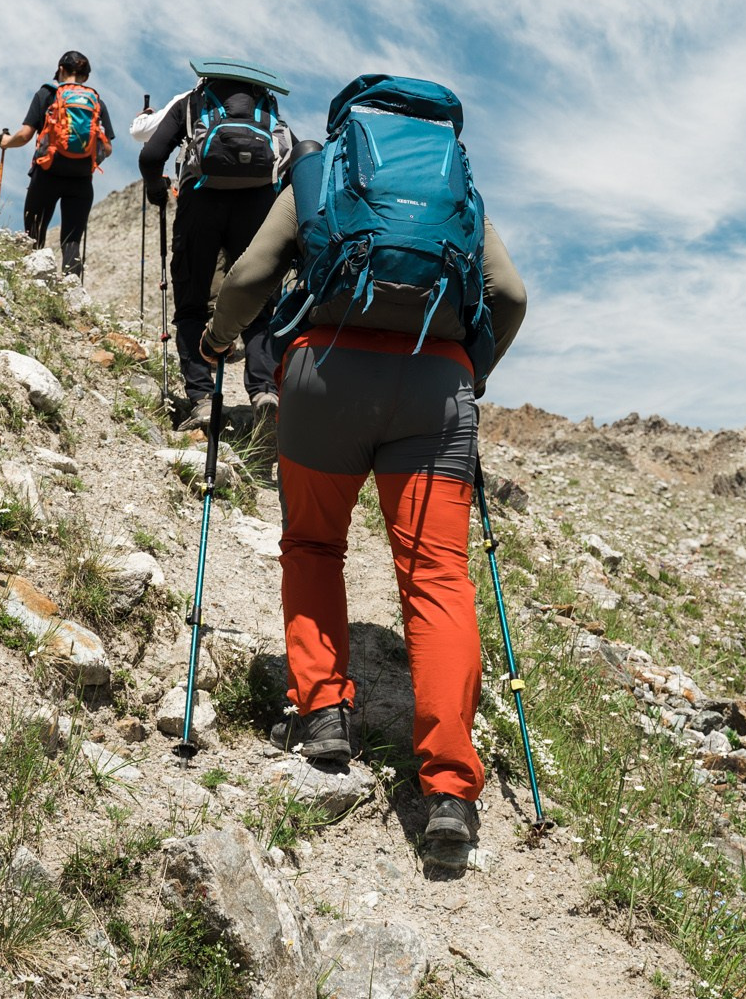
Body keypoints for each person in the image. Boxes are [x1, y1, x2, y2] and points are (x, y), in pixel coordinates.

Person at [200, 74, 527, 864]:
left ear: (348, 127)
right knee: (439, 578)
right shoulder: (460, 187)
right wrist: (467, 371)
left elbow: (249, 278)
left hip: (326, 375)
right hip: (435, 386)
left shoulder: (318, 171)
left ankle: (323, 715)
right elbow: (510, 295)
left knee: (315, 547)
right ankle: (449, 788)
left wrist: (217, 342)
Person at [138, 59, 300, 434]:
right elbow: (292, 160)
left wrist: (155, 188)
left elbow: (150, 156)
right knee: (259, 305)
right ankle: (263, 391)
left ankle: (202, 399)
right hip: (258, 207)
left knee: (193, 304)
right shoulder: (266, 108)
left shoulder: (193, 102)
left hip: (201, 205)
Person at [0, 51, 114, 279]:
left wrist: (5, 142)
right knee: (72, 241)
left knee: (34, 235)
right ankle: (72, 296)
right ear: (85, 77)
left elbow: (24, 135)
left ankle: (30, 285)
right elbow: (107, 148)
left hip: (47, 174)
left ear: (60, 69)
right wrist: (87, 158)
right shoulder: (96, 101)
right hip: (81, 181)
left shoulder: (47, 94)